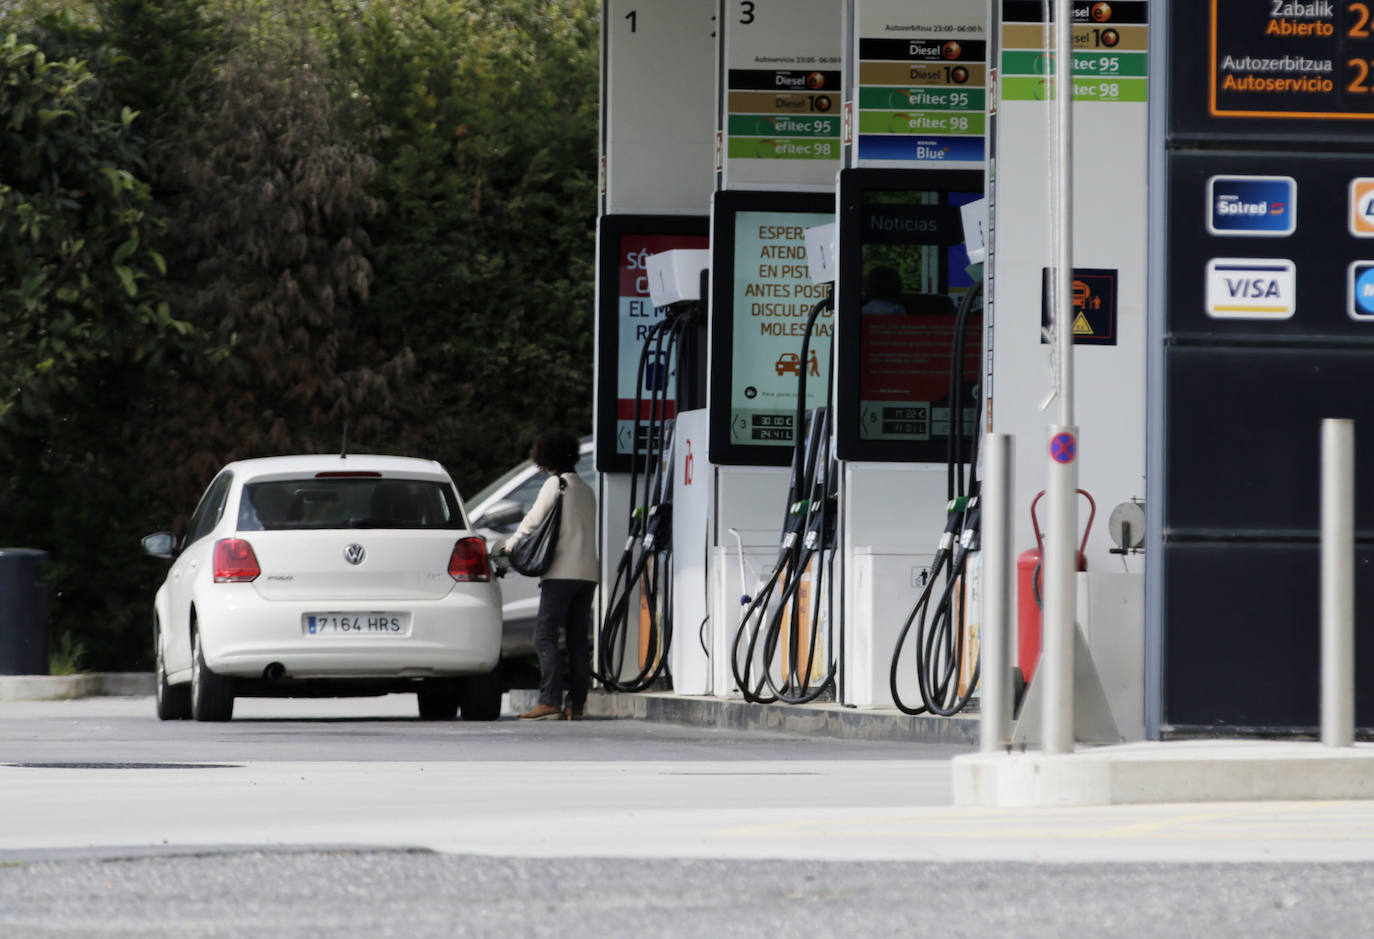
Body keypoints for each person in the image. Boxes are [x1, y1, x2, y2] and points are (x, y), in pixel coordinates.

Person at [501, 430, 598, 721]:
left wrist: (513, 542)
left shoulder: (555, 485)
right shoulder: (585, 488)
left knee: (544, 636)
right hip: (587, 573)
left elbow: (533, 519)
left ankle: (550, 701)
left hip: (560, 573)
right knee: (578, 640)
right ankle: (576, 704)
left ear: (545, 458)